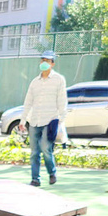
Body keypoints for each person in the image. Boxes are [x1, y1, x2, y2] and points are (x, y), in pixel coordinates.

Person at [19, 49, 67, 187]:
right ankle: (35, 179)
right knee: (34, 152)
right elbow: (28, 102)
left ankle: (52, 172)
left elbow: (62, 100)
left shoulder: (59, 80)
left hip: (50, 120)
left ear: (52, 64)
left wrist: (61, 120)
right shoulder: (35, 82)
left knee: (46, 148)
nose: (44, 63)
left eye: (47, 61)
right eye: (42, 60)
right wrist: (23, 120)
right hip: (35, 121)